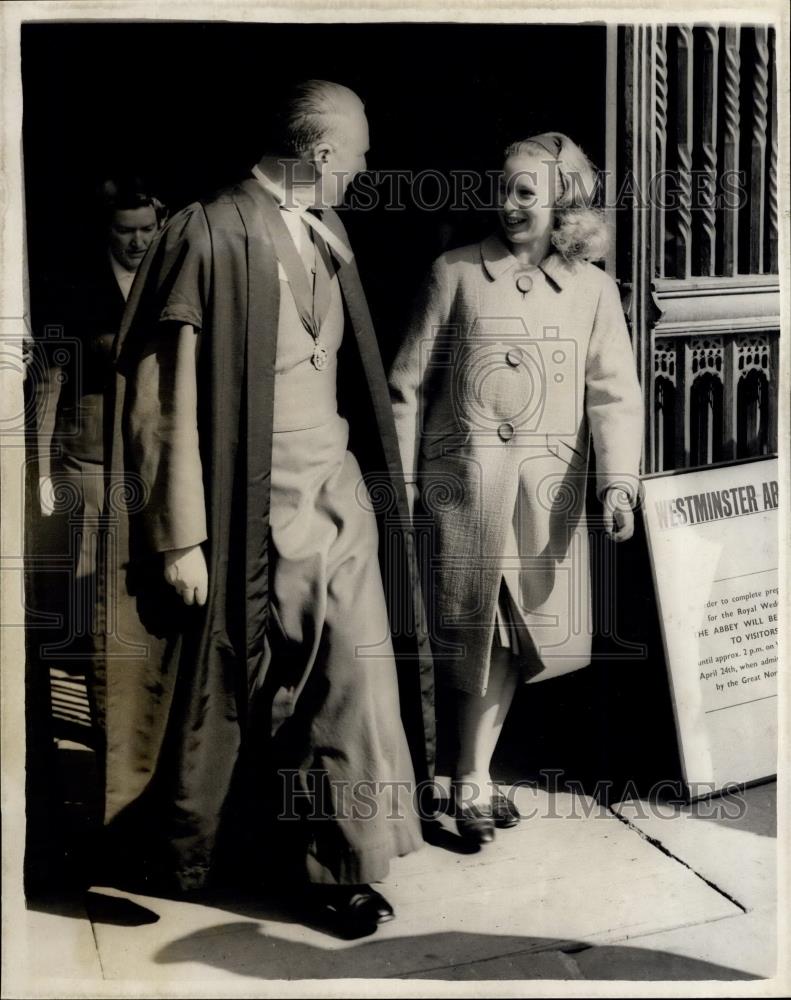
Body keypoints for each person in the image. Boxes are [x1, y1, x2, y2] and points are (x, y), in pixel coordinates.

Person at [102, 81, 434, 936]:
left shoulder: (328, 230)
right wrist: (178, 534)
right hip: (251, 494)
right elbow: (158, 390)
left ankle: (337, 867)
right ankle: (222, 846)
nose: (363, 172)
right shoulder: (208, 231)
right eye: (356, 156)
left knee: (354, 671)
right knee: (258, 689)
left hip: (334, 487)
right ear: (320, 154)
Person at [389, 132, 643, 845]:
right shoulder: (454, 273)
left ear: (562, 200)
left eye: (525, 193)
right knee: (478, 632)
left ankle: (472, 772)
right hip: (464, 492)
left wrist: (618, 485)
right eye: (501, 189)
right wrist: (406, 485)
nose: (507, 205)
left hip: (543, 498)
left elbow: (613, 394)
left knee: (507, 640)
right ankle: (468, 778)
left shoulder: (592, 290)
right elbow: (406, 387)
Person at [35, 178, 166, 729]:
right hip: (89, 465)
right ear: (105, 230)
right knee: (92, 596)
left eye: (146, 230)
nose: (137, 242)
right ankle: (97, 715)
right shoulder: (76, 290)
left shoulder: (170, 282)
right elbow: (49, 384)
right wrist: (40, 470)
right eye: (124, 230)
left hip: (152, 463)